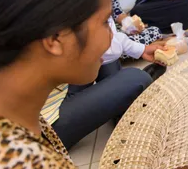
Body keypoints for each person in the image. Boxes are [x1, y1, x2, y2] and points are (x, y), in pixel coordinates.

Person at [0, 0, 111, 167]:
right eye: (105, 22)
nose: (111, 36)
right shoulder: (22, 160)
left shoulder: (17, 117)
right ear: (56, 37)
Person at [43, 15, 167, 150]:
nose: (110, 30)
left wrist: (140, 49)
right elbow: (102, 46)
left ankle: (125, 100)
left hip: (56, 93)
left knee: (108, 62)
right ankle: (129, 98)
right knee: (136, 77)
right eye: (105, 22)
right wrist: (138, 49)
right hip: (46, 127)